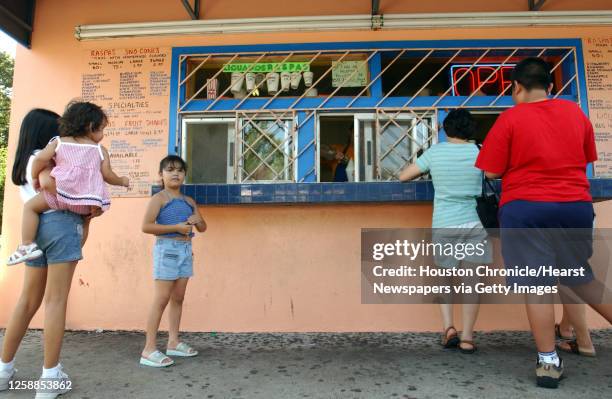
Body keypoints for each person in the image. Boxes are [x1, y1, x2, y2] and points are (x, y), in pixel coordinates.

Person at [475, 57, 612, 388]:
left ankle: (548, 362)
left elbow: (491, 171)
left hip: (526, 208)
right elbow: (587, 157)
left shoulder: (509, 119)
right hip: (575, 206)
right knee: (581, 278)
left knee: (535, 284)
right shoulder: (575, 113)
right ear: (551, 87)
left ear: (516, 87)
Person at [0, 108, 101, 398]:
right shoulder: (49, 160)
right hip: (59, 224)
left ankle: (3, 371)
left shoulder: (24, 162)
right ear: (49, 134)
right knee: (56, 302)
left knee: (27, 300)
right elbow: (55, 188)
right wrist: (88, 210)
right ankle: (49, 379)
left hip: (34, 229)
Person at [399, 109, 491, 354]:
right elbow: (495, 175)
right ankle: (468, 337)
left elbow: (403, 176)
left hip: (444, 223)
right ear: (471, 129)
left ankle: (448, 328)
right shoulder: (480, 151)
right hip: (474, 223)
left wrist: (431, 169)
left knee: (445, 279)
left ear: (446, 128)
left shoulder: (436, 152)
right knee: (472, 284)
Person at [7, 101, 129, 265]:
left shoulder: (58, 142)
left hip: (60, 197)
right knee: (85, 220)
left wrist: (35, 176)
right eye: (102, 129)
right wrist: (122, 181)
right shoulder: (101, 150)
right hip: (87, 200)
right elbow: (108, 175)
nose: (103, 135)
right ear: (91, 126)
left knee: (30, 207)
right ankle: (75, 252)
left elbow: (41, 161)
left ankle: (26, 245)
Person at [140, 155, 206, 367]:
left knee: (178, 298)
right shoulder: (159, 199)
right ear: (161, 175)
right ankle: (148, 349)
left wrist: (199, 220)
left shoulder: (189, 201)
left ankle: (173, 342)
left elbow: (203, 227)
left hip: (186, 250)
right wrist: (176, 228)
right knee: (161, 299)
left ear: (184, 175)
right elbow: (147, 227)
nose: (175, 173)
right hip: (166, 250)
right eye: (169, 170)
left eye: (179, 170)